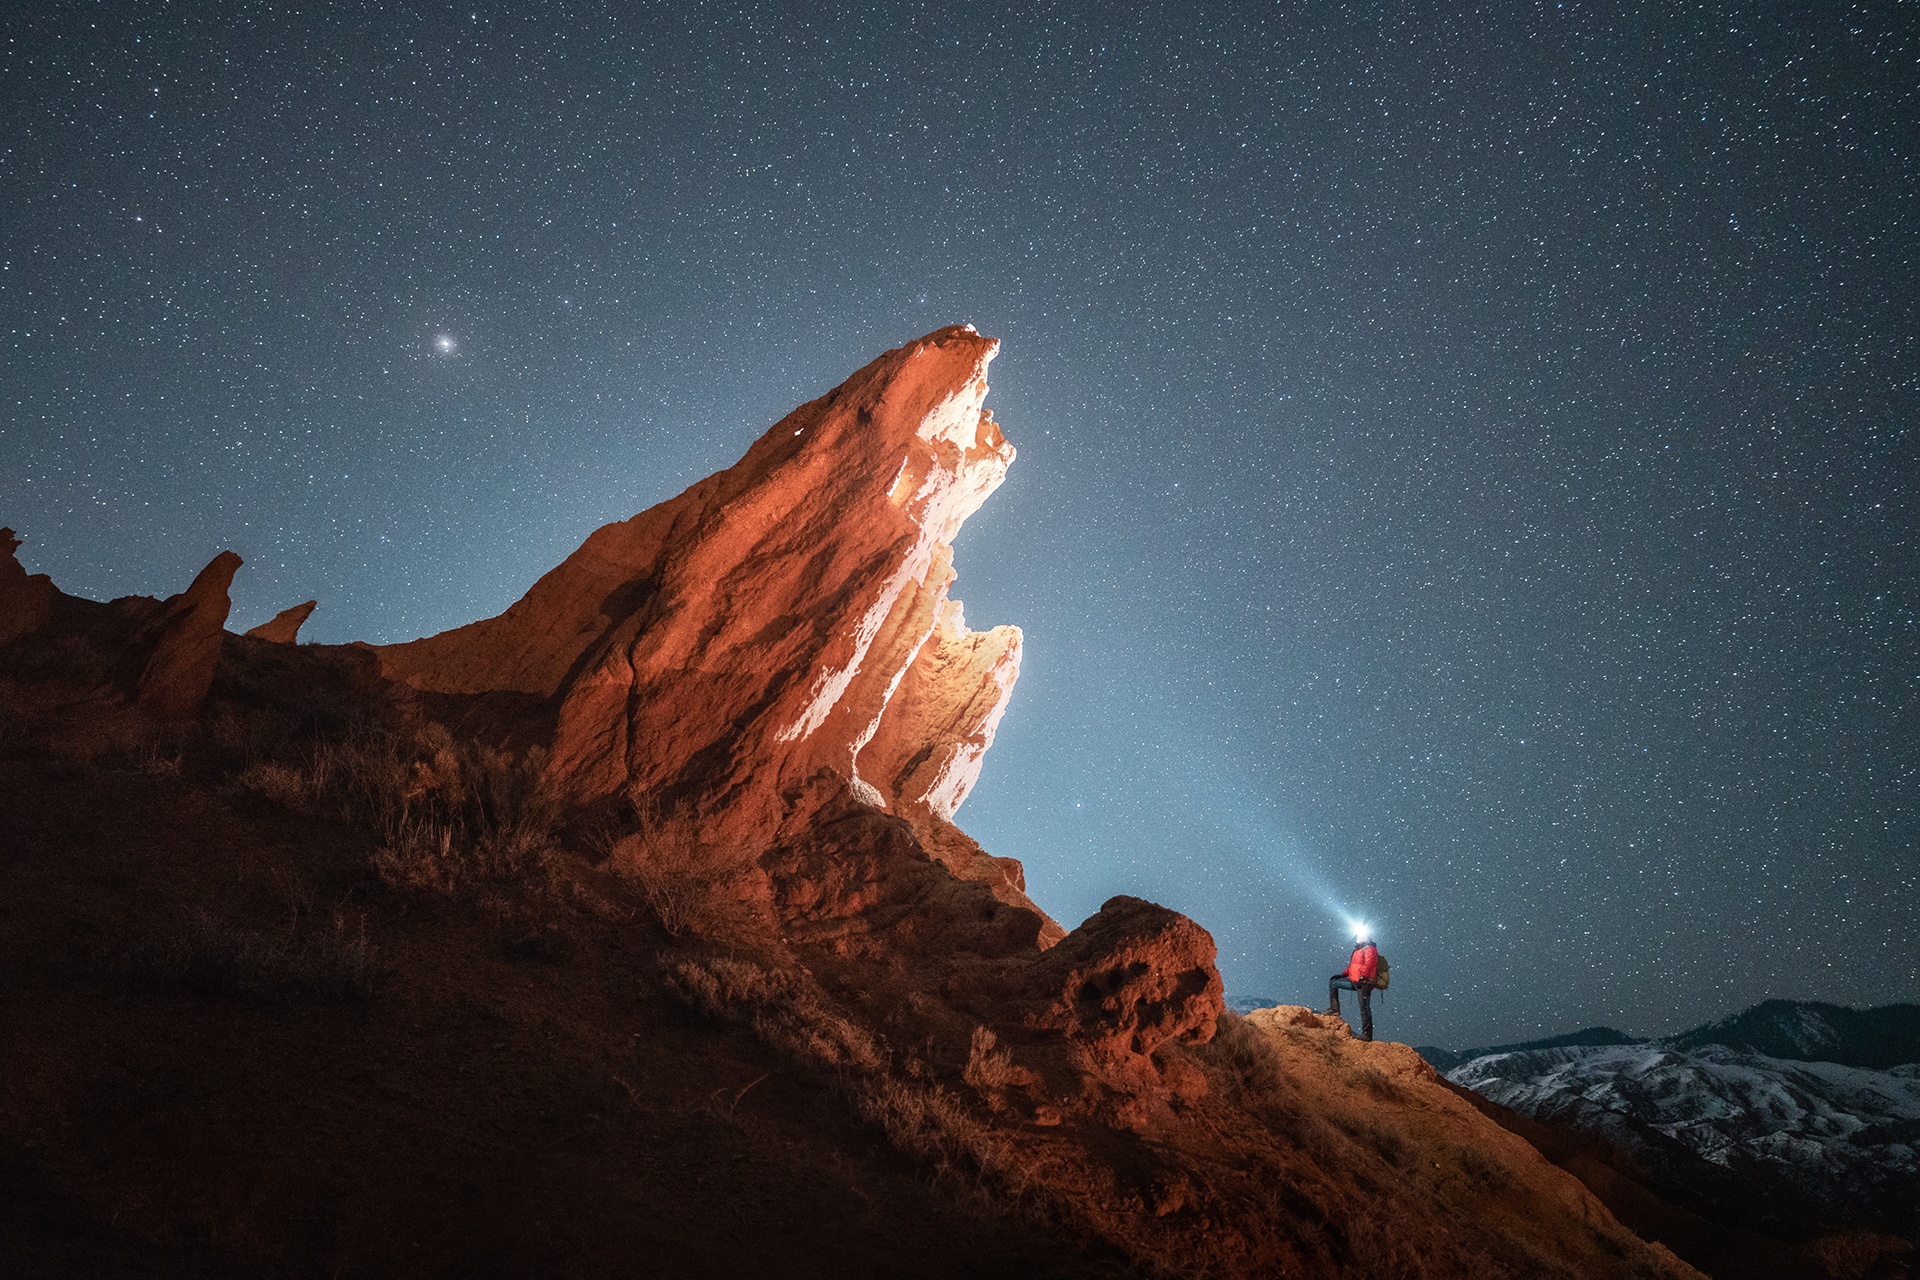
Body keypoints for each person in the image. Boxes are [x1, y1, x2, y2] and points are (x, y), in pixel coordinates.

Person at [1325, 934, 1380, 1042]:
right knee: (1333, 983)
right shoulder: (1357, 950)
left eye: (1361, 935)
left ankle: (1367, 1035)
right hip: (1354, 981)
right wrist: (1342, 974)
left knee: (1364, 1008)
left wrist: (1362, 978)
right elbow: (1353, 966)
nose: (1358, 937)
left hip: (1364, 983)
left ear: (1367, 937)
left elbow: (1369, 965)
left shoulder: (1370, 949)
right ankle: (1334, 1009)